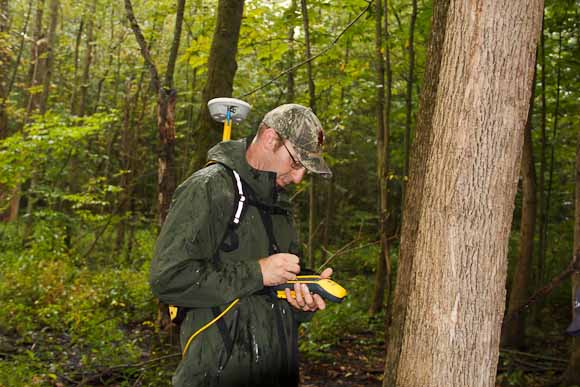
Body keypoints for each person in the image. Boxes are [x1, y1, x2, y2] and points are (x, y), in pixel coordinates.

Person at [150, 103, 334, 387]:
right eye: (296, 163)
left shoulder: (279, 205)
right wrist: (258, 272)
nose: (299, 177)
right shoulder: (210, 188)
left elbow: (269, 295)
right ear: (271, 138)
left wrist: (300, 301)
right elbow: (168, 279)